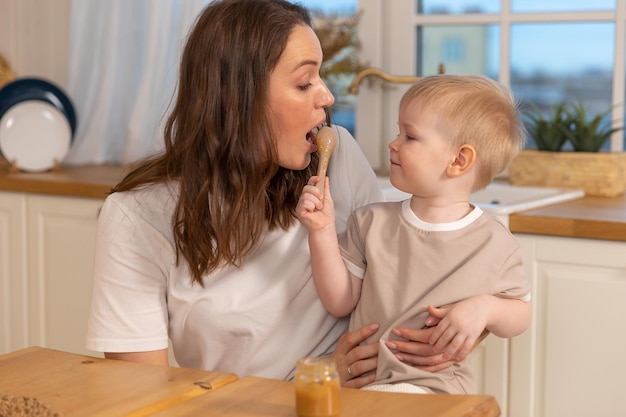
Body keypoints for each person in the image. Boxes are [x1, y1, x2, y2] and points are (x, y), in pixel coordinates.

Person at [85, 0, 479, 387]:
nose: (326, 97)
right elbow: (138, 394)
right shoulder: (137, 214)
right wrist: (316, 382)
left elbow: (407, 276)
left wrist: (475, 314)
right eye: (304, 82)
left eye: (320, 78)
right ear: (235, 97)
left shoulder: (338, 156)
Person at [296, 74, 532, 394]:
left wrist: (487, 308)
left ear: (459, 160)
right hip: (366, 386)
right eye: (398, 131)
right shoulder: (369, 222)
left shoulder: (495, 243)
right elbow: (340, 301)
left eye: (410, 136)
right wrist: (321, 232)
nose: (393, 143)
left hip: (439, 392)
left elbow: (520, 314)